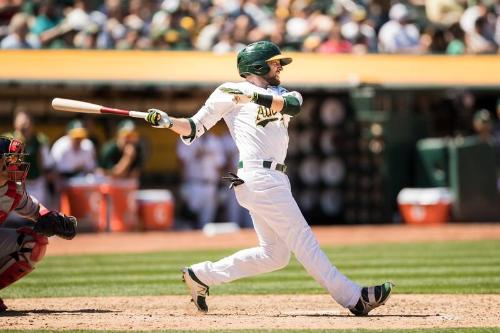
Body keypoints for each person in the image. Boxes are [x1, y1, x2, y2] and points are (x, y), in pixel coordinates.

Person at [144, 41, 393, 316]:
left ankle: (202, 275)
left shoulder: (282, 93)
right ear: (258, 65)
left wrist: (251, 97)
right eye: (275, 63)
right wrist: (167, 122)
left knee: (274, 255)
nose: (279, 67)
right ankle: (354, 297)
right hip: (256, 175)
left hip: (276, 177)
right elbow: (192, 127)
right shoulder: (227, 92)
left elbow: (293, 106)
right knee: (302, 238)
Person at [0, 136, 77, 312]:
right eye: (11, 158)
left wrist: (51, 218)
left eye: (17, 158)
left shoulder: (13, 189)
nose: (17, 162)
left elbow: (34, 209)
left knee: (34, 242)